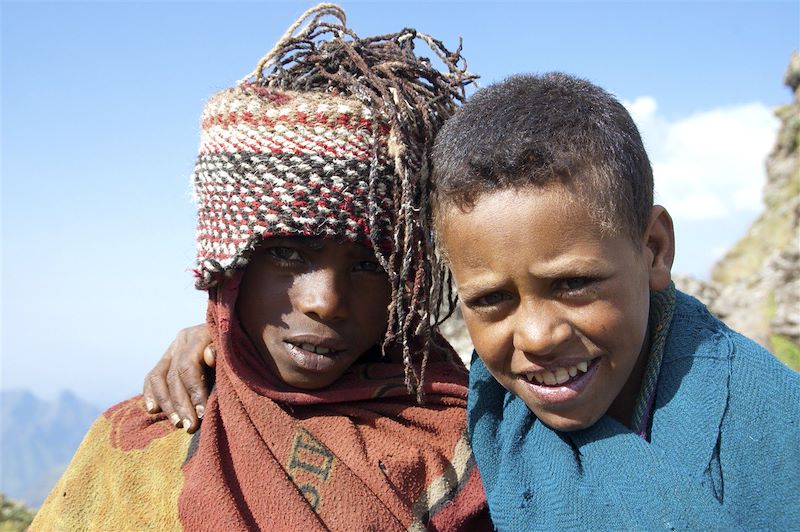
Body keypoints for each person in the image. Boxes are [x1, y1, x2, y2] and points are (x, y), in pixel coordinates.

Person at [154, 72, 800, 529]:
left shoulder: (772, 428)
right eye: (490, 299)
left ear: (655, 249)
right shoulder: (474, 399)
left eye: (573, 284)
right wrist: (219, 335)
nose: (539, 334)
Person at [31, 5, 489, 530]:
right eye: (288, 253)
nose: (325, 302)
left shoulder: (484, 432)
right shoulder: (133, 454)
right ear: (229, 271)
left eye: (370, 263)